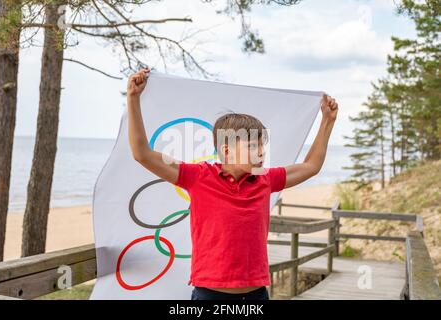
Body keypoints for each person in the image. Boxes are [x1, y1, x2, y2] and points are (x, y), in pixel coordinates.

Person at [126, 67, 338, 300]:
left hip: (256, 296)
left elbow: (311, 166)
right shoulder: (197, 176)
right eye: (252, 146)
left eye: (261, 146)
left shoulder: (266, 179)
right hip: (210, 296)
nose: (260, 152)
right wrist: (133, 98)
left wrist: (327, 122)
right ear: (226, 149)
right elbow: (142, 153)